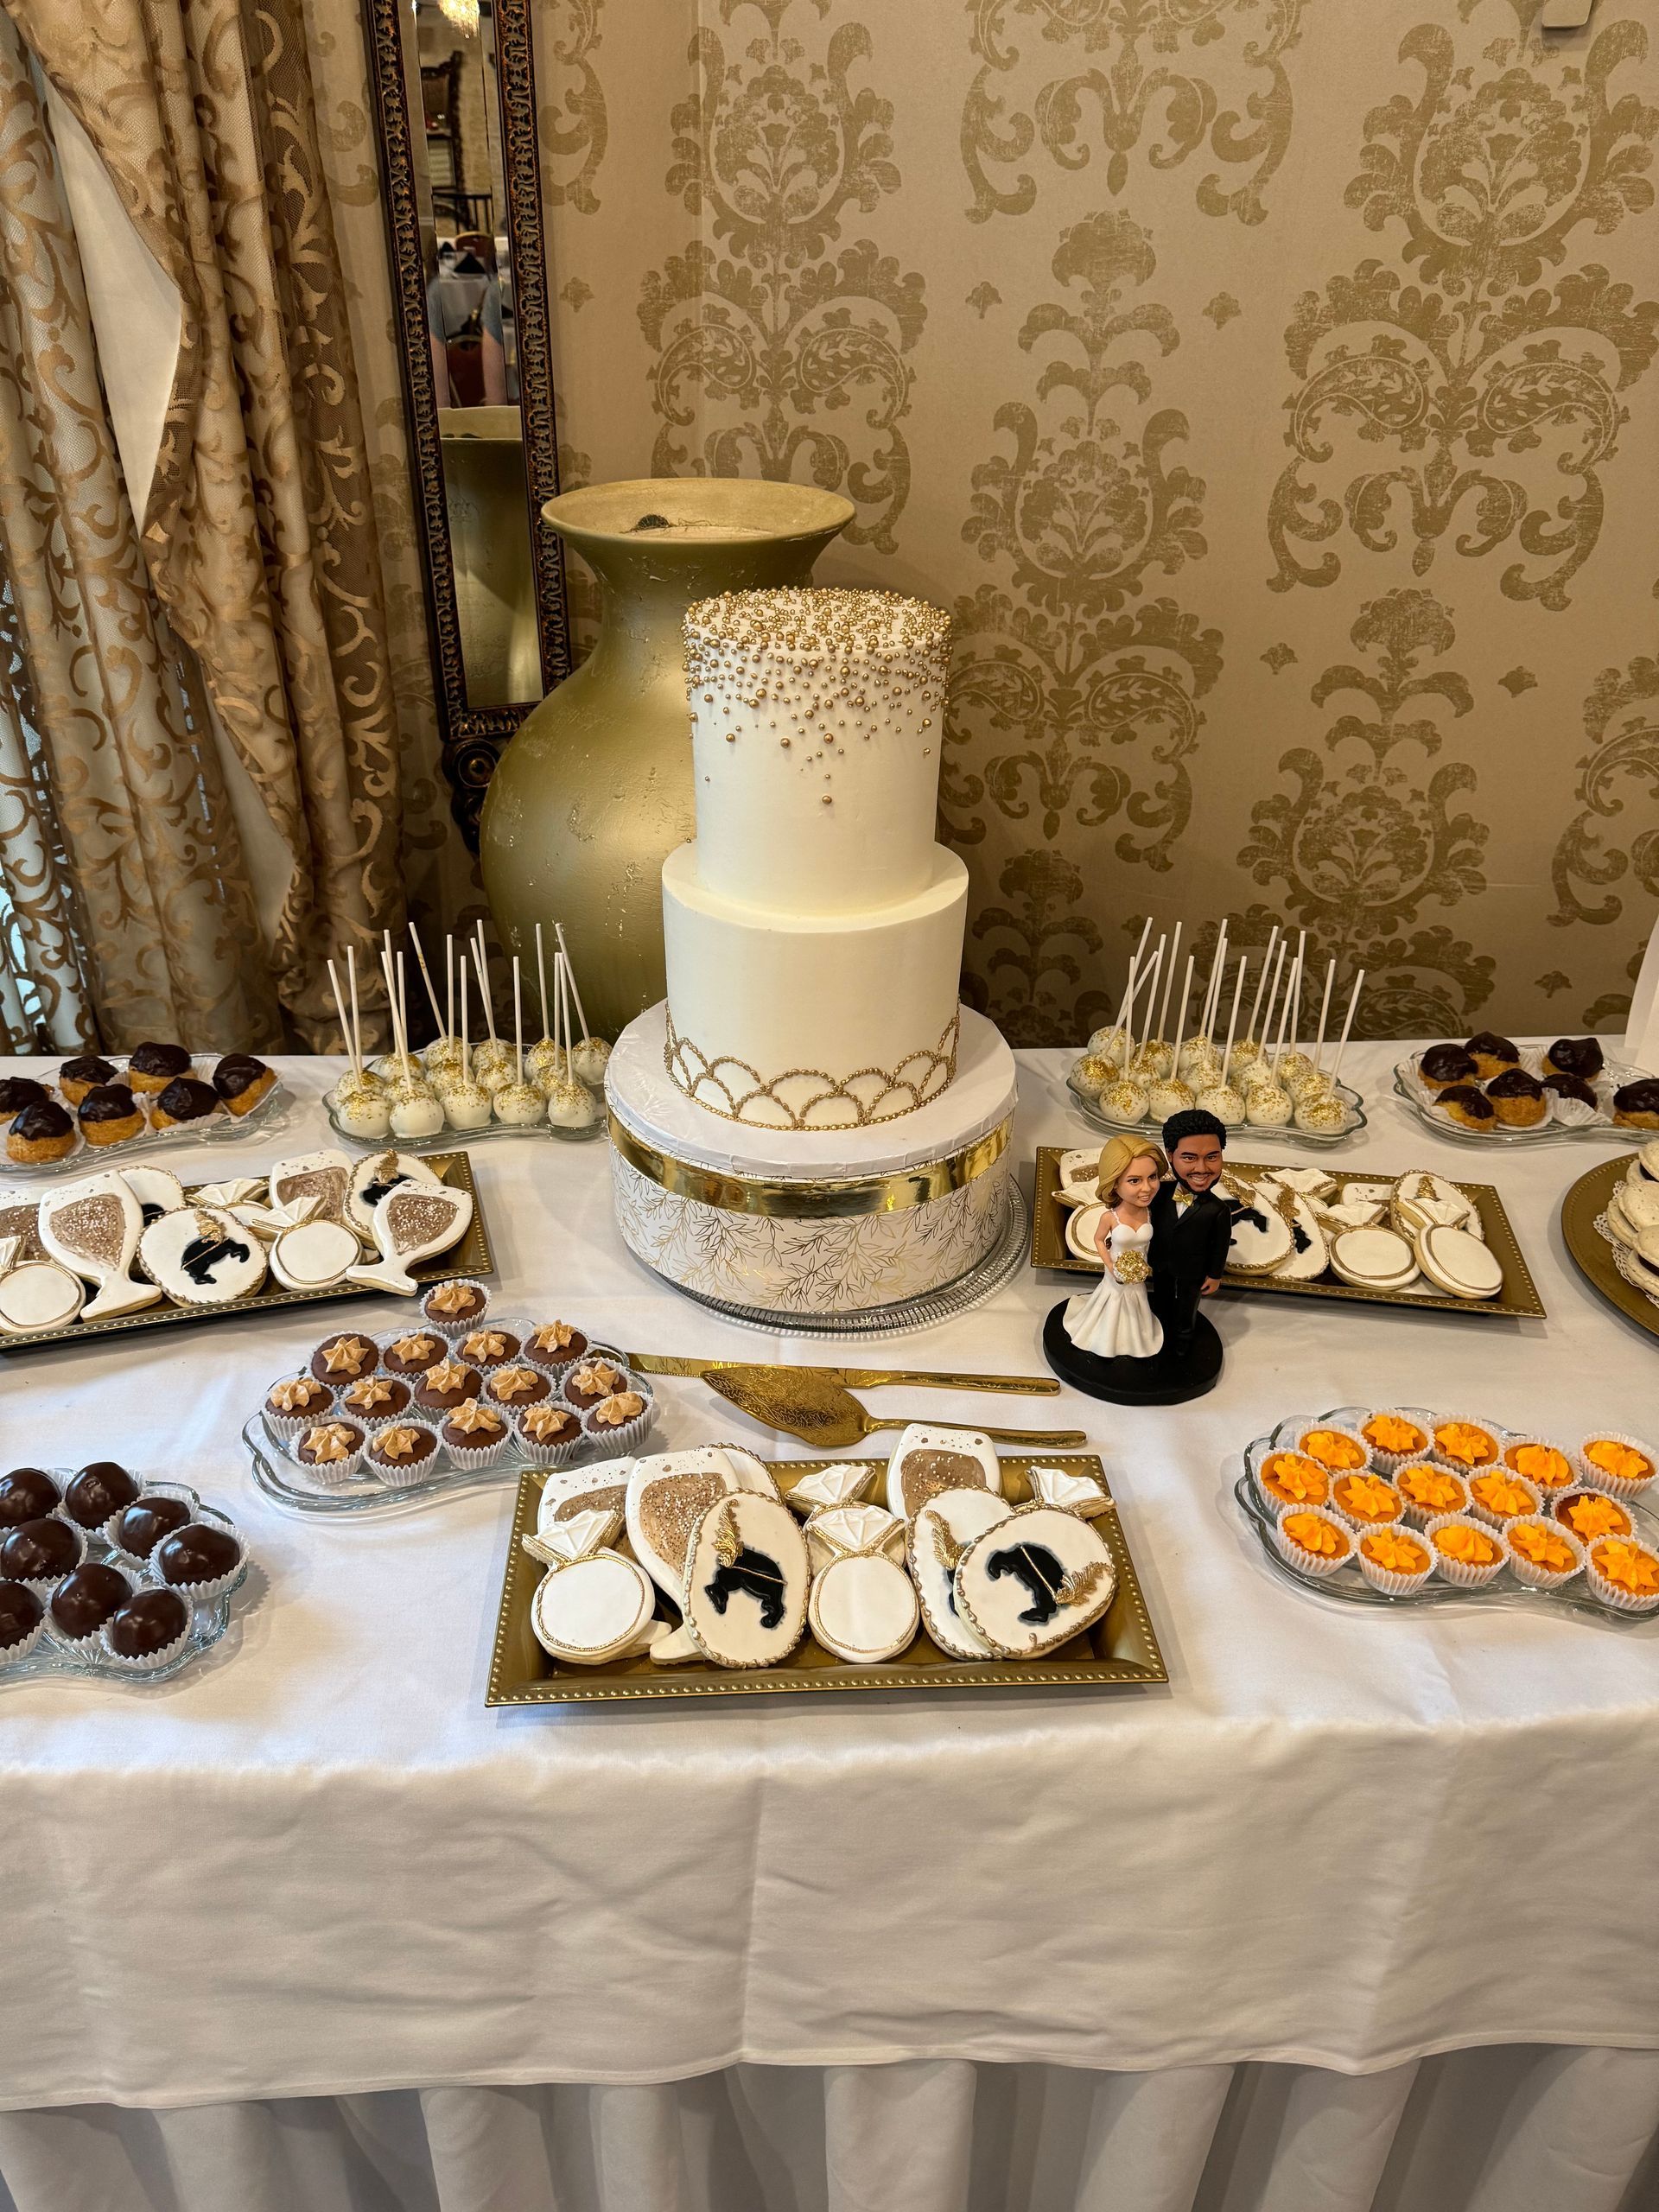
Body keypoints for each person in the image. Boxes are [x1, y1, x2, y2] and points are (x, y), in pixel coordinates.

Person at [1062, 1137, 1166, 1361]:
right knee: (1114, 1302)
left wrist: (1145, 1266)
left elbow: (1147, 1244)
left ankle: (1136, 1338)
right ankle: (1107, 1339)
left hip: (1139, 1275)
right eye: (1135, 1181)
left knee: (1137, 1304)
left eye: (1153, 1177)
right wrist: (1111, 1266)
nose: (1147, 1188)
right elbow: (1099, 1240)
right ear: (1115, 1183)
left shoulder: (1149, 1213)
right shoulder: (1110, 1217)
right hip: (1116, 1275)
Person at [1148, 1108, 1234, 1355]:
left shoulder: (1217, 1210)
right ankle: (1157, 1333)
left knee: (1187, 1308)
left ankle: (1182, 1345)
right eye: (1189, 1158)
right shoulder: (1158, 1193)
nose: (1201, 1168)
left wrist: (1215, 1275)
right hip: (1159, 1265)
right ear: (1170, 1155)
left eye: (1212, 1157)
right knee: (1160, 1302)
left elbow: (1220, 1246)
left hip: (1193, 1273)